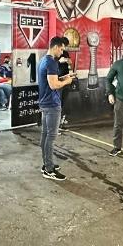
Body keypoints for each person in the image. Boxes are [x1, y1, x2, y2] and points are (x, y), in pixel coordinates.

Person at [39, 37, 74, 180]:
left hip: (45, 102)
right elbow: (53, 85)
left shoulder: (43, 60)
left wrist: (64, 76)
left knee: (45, 135)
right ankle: (49, 169)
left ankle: (46, 163)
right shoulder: (51, 62)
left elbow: (50, 81)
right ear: (55, 47)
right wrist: (68, 81)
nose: (62, 52)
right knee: (51, 137)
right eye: (61, 49)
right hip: (52, 104)